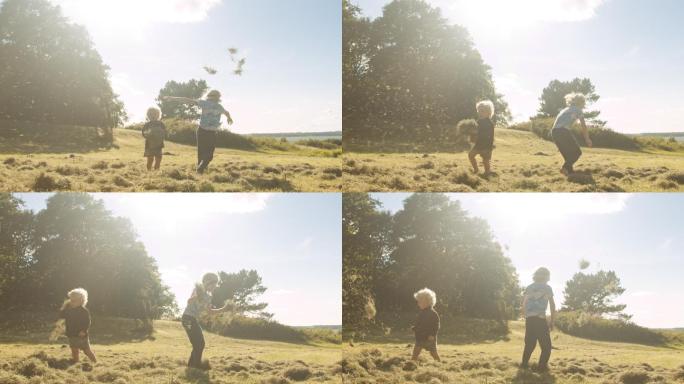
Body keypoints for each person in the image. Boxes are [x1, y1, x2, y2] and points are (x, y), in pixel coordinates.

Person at [161, 91, 233, 173]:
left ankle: (200, 168)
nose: (215, 98)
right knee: (201, 153)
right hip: (202, 131)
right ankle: (200, 171)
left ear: (218, 97)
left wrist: (229, 118)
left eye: (217, 96)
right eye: (213, 96)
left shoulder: (219, 106)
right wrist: (173, 98)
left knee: (209, 155)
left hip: (211, 133)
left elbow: (226, 112)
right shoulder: (205, 103)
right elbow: (188, 100)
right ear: (209, 96)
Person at [181, 273, 231, 369]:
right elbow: (189, 301)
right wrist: (198, 295)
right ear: (206, 282)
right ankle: (194, 367)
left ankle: (192, 366)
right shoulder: (198, 290)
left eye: (215, 284)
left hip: (193, 320)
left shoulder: (209, 296)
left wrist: (224, 309)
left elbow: (210, 312)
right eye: (212, 283)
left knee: (199, 343)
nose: (214, 286)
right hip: (187, 319)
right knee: (198, 343)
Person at [521, 267, 556, 372]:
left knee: (530, 344)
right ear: (546, 276)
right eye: (548, 275)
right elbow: (552, 305)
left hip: (530, 319)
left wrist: (525, 315)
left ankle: (524, 366)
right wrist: (552, 321)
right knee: (546, 347)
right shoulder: (547, 288)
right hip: (540, 319)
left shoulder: (529, 287)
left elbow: (524, 303)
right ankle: (541, 368)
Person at [551, 93, 593, 175]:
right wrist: (587, 139)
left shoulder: (566, 109)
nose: (584, 104)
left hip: (554, 132)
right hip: (563, 131)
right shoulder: (578, 110)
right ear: (581, 102)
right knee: (577, 152)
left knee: (568, 155)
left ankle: (570, 172)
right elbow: (583, 126)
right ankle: (565, 168)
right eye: (584, 102)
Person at [59, 288, 97, 363]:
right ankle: (76, 363)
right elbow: (62, 315)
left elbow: (87, 322)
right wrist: (64, 307)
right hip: (71, 334)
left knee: (86, 350)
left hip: (81, 335)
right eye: (71, 300)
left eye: (74, 300)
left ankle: (95, 362)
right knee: (74, 350)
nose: (71, 302)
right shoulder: (69, 310)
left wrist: (84, 330)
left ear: (81, 301)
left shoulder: (83, 311)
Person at [411, 288, 441, 362]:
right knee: (415, 352)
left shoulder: (433, 313)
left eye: (420, 302)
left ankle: (438, 362)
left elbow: (436, 326)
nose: (418, 304)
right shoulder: (421, 313)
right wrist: (414, 328)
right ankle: (412, 363)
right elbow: (419, 323)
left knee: (433, 353)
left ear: (427, 302)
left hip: (429, 338)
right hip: (420, 337)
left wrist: (432, 334)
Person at [468, 100, 496, 175]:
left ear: (488, 112)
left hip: (486, 145)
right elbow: (474, 131)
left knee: (485, 160)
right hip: (478, 144)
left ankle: (487, 172)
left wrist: (489, 147)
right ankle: (476, 169)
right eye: (479, 111)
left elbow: (490, 136)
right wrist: (472, 134)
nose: (480, 112)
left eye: (482, 111)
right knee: (471, 155)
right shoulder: (478, 122)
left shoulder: (489, 124)